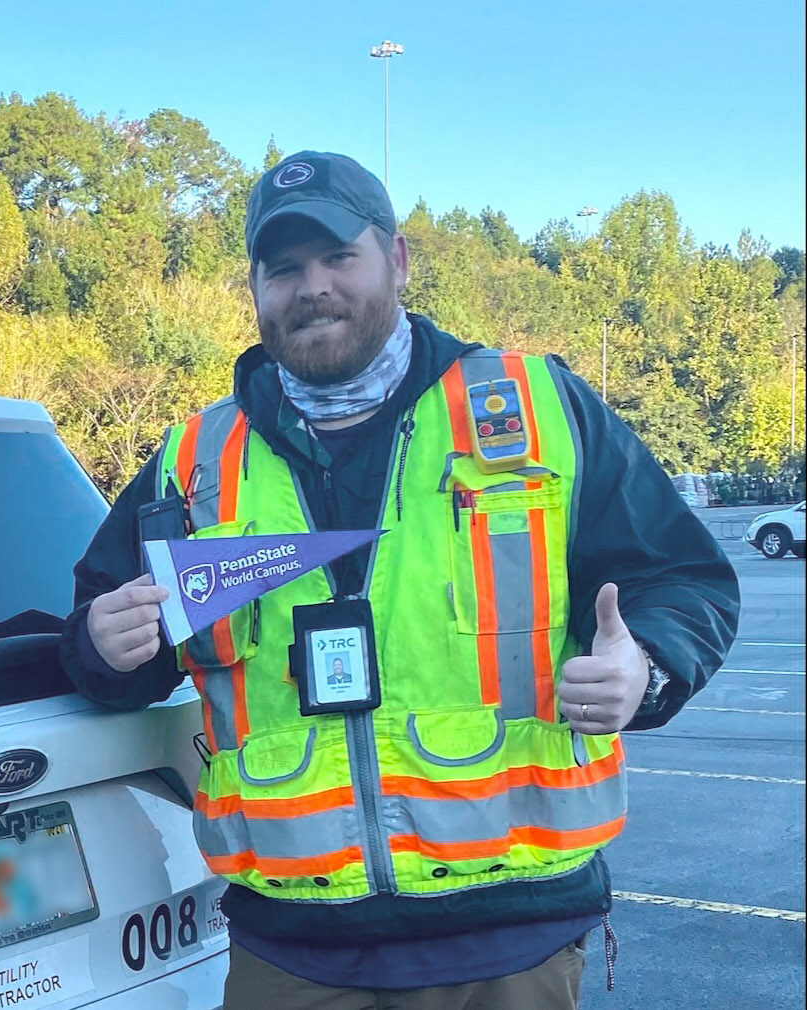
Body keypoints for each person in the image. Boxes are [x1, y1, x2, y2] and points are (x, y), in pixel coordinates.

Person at [58, 150, 739, 1008]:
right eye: (284, 268)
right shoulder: (192, 460)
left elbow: (682, 577)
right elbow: (104, 640)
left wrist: (646, 665)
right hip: (290, 951)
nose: (312, 287)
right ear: (256, 288)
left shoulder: (535, 410)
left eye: (338, 257)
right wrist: (102, 644)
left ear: (398, 260)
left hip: (507, 944)